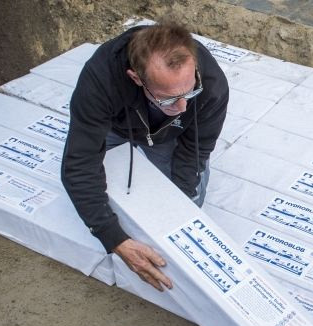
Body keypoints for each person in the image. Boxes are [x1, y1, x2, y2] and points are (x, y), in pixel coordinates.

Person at [62, 22, 229, 292]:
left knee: (188, 202)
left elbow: (193, 152)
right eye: (168, 99)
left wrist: (176, 210)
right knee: (89, 183)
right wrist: (113, 237)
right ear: (136, 78)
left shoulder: (211, 85)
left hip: (169, 135)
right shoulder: (100, 78)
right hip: (118, 123)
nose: (183, 106)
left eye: (190, 92)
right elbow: (79, 163)